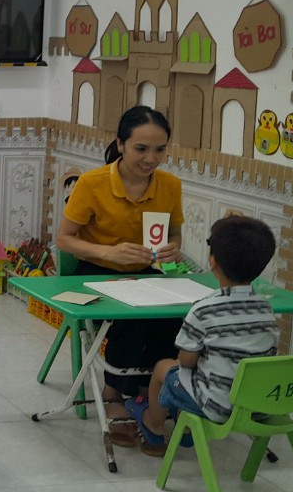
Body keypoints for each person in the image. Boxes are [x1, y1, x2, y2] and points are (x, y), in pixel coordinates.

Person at [55, 105, 185, 448]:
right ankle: (113, 393)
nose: (151, 159)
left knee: (174, 316)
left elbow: (174, 235)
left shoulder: (170, 185)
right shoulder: (93, 183)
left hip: (148, 272)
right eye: (141, 148)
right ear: (121, 144)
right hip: (97, 272)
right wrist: (109, 253)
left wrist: (172, 249)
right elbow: (64, 239)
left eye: (160, 149)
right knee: (131, 317)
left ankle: (148, 393)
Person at [126, 215, 279, 456]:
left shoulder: (204, 309)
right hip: (258, 404)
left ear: (213, 261)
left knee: (164, 368)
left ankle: (153, 425)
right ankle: (186, 429)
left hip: (217, 406)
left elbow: (186, 361)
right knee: (203, 372)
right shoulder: (266, 309)